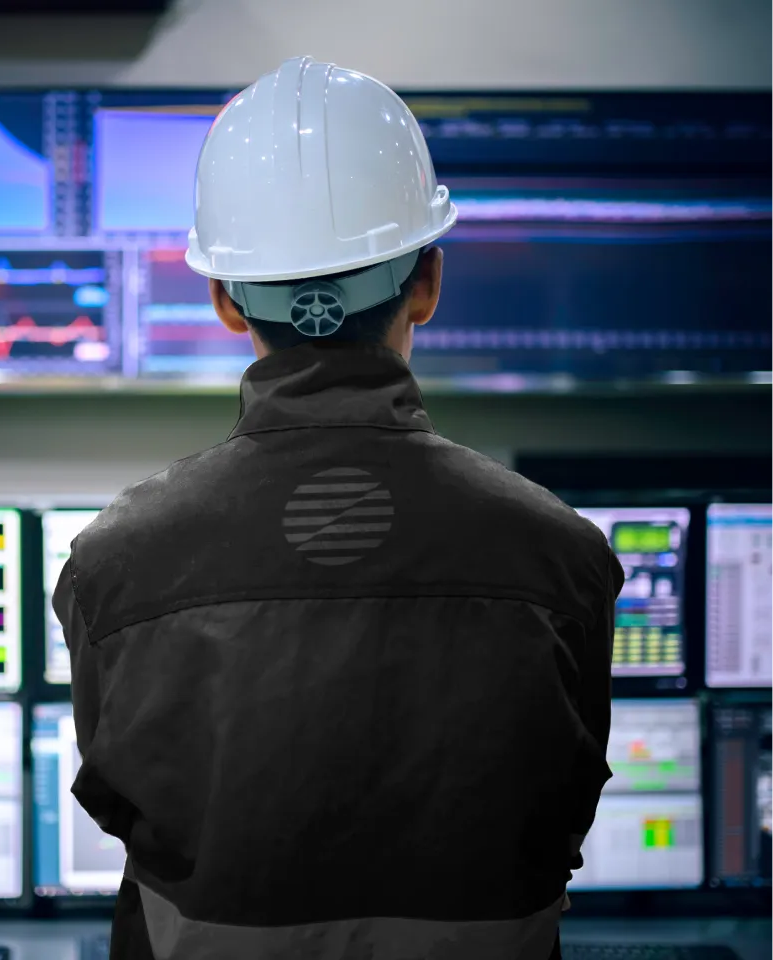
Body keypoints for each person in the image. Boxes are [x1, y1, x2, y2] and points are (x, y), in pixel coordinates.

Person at [54, 56, 624, 960]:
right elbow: (559, 814)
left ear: (223, 301)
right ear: (429, 282)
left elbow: (128, 809)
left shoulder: (112, 564)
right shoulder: (563, 557)